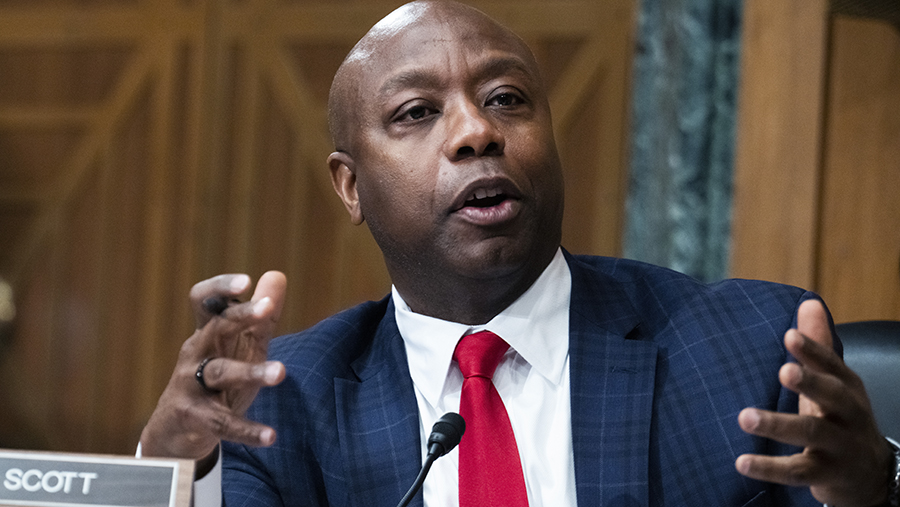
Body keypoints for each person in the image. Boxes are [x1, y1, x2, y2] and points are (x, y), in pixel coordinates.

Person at [139, 1, 898, 506]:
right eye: (417, 112)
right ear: (351, 186)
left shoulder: (750, 347)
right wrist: (178, 466)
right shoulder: (283, 400)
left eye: (506, 98)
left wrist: (873, 491)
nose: (477, 131)